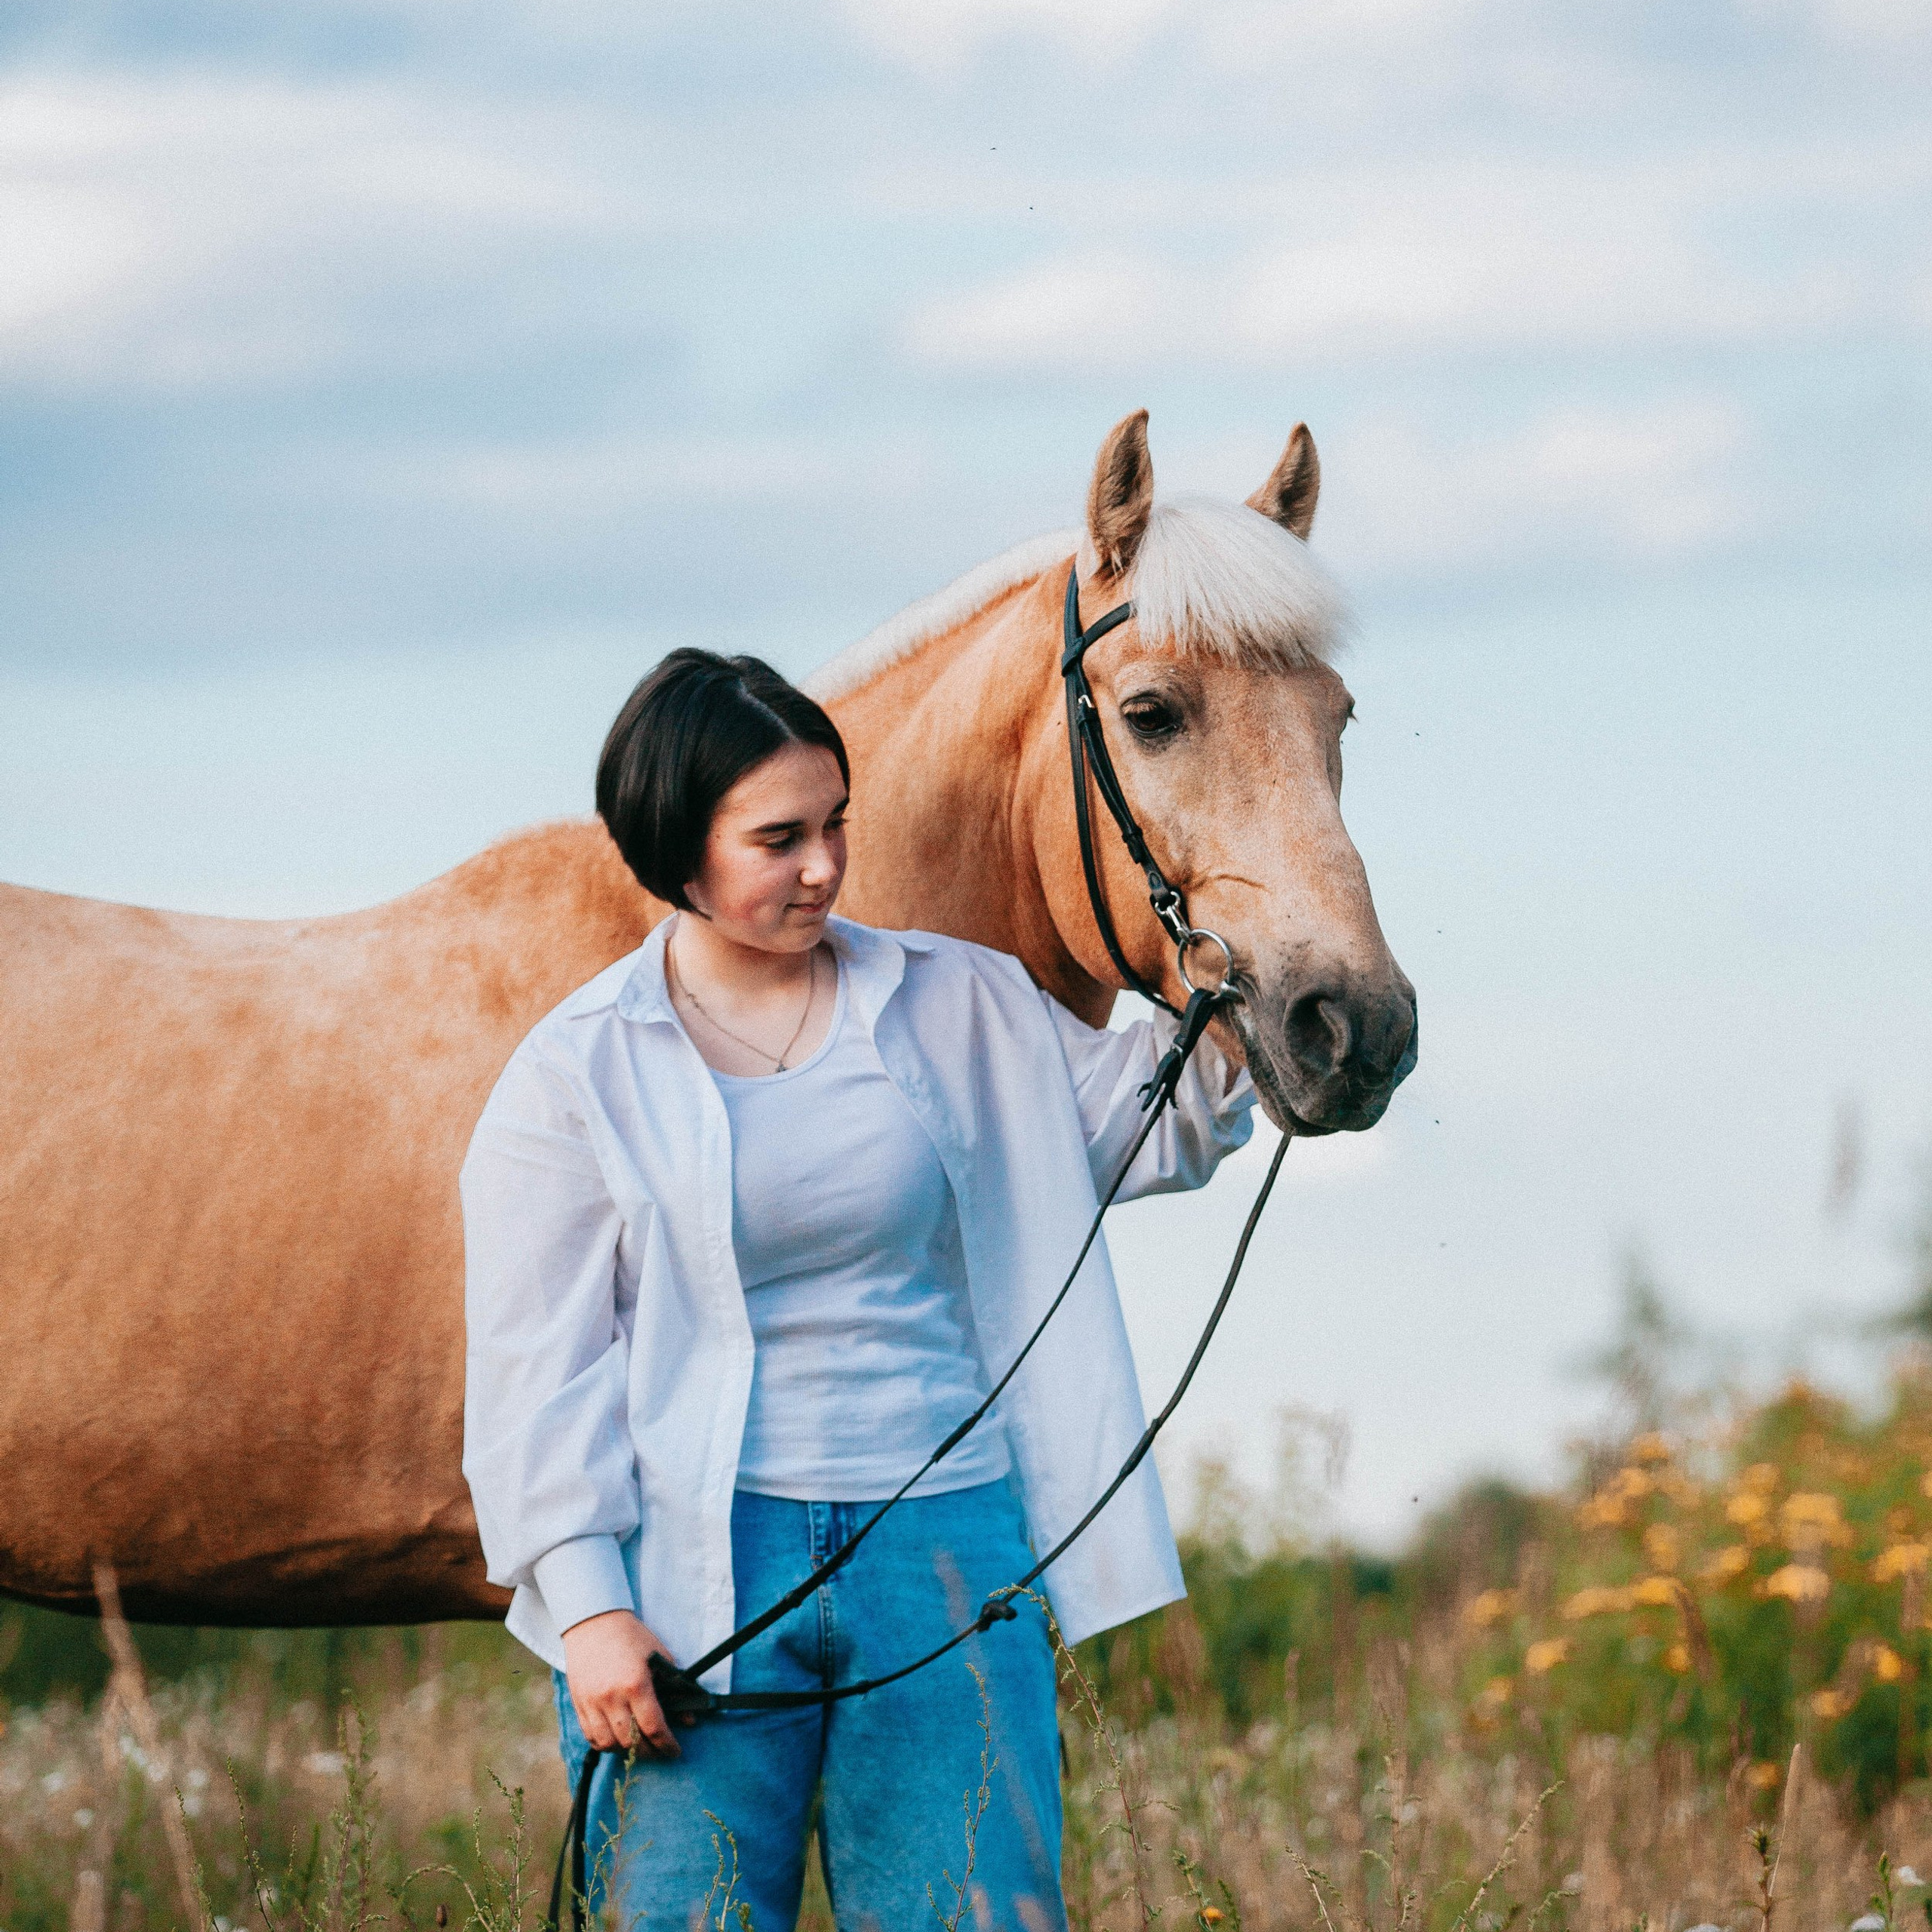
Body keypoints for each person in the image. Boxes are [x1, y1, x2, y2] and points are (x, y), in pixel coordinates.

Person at [460, 648, 1257, 1928]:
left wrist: (1252, 968)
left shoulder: (961, 1003)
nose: (825, 866)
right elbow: (532, 1375)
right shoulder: (575, 1075)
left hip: (947, 1548)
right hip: (693, 1577)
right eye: (779, 838)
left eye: (836, 824)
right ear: (679, 849)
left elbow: (1160, 1124)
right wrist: (591, 1612)